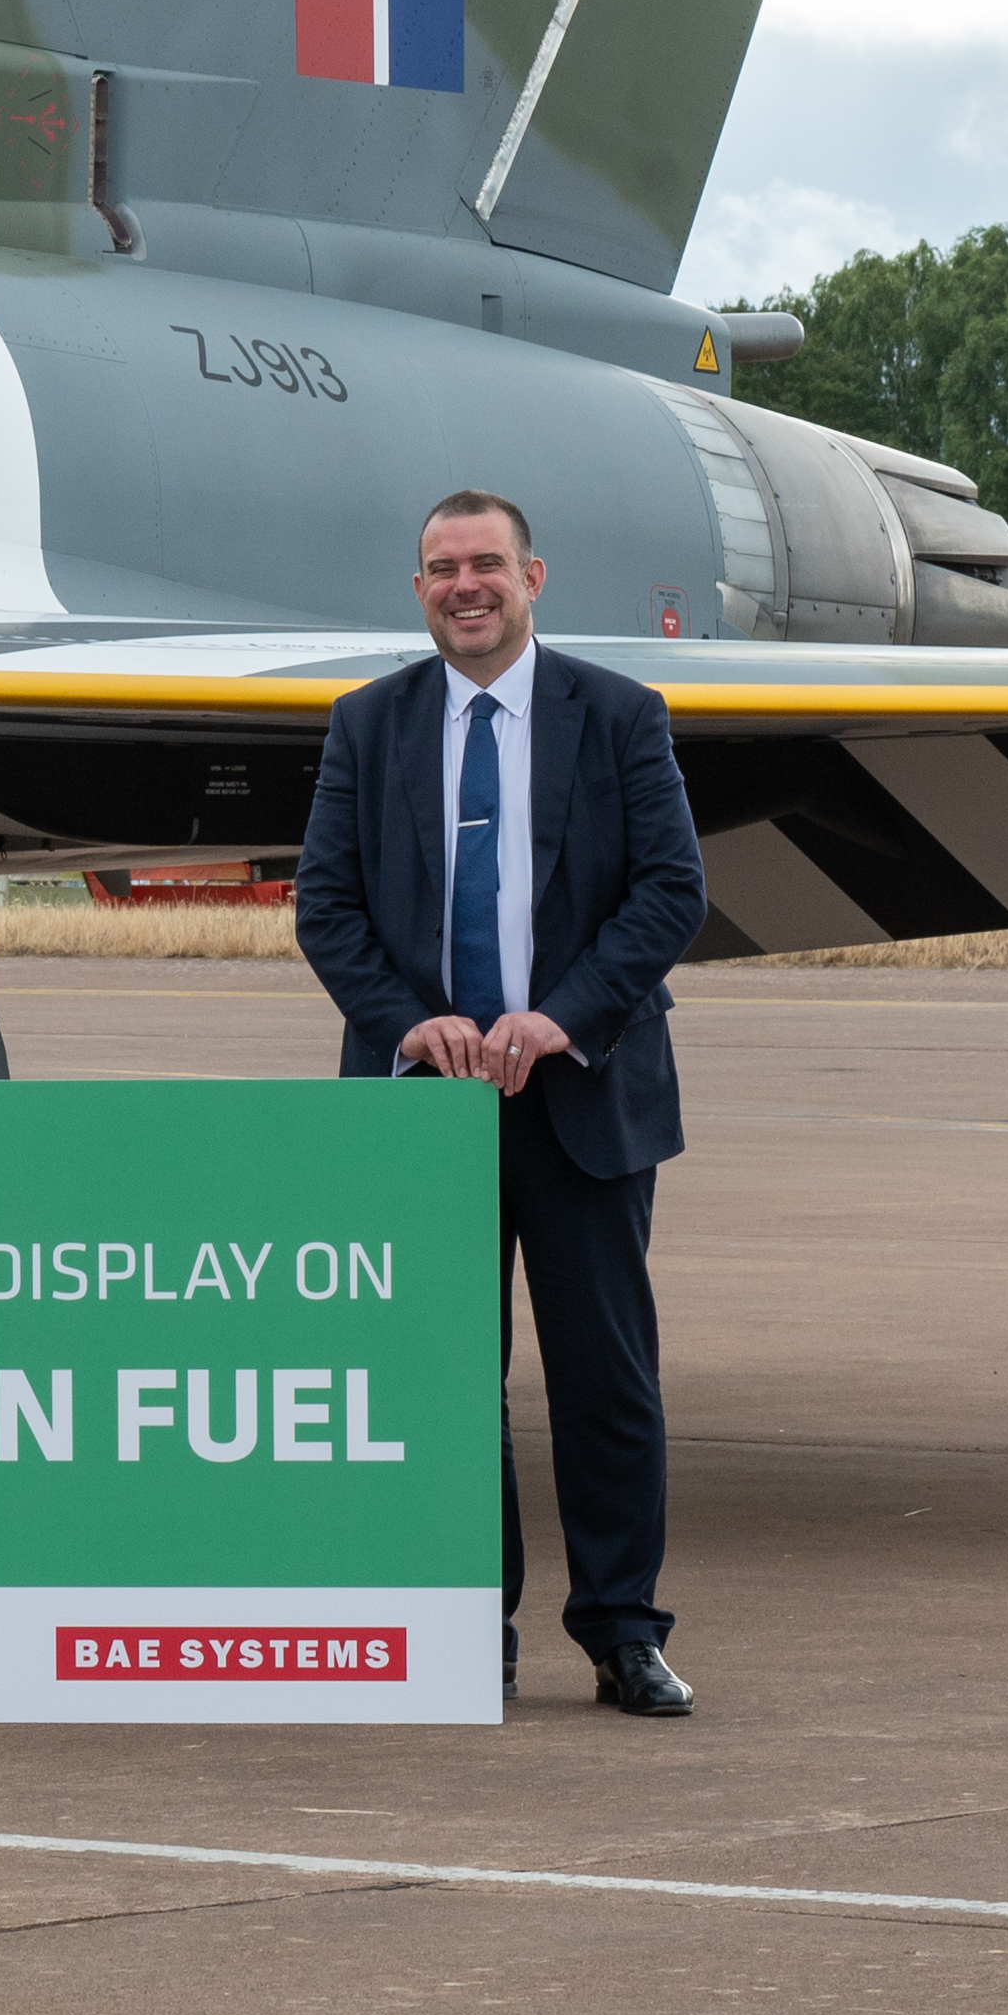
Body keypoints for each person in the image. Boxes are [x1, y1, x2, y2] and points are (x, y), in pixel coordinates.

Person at [292, 489, 712, 1717]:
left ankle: (624, 1632)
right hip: (426, 1104)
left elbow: (670, 891)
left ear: (534, 578)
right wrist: (404, 1019)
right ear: (418, 588)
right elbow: (327, 904)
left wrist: (563, 1014)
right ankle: (473, 1624)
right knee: (444, 1385)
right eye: (441, 568)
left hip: (580, 1096)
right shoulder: (367, 724)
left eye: (486, 564)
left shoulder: (620, 715)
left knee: (605, 1381)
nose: (464, 585)